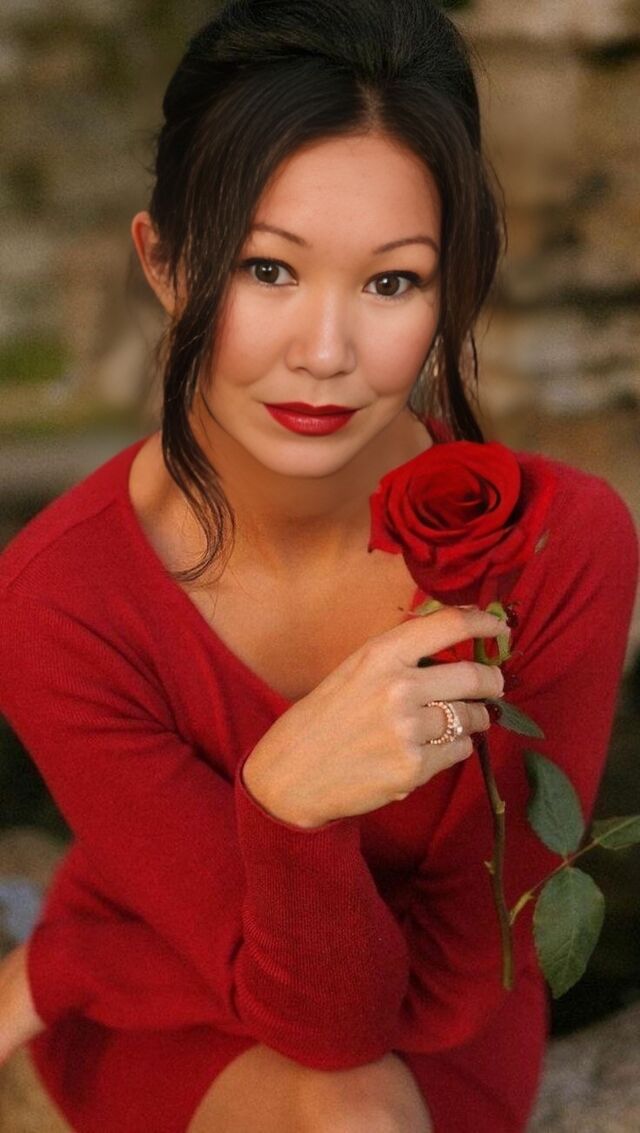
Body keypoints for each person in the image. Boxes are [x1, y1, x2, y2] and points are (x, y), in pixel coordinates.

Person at [0, 2, 637, 1130]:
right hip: (172, 1010)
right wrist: (286, 813)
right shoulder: (57, 601)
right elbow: (321, 1025)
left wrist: (71, 961)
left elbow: (442, 987)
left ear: (451, 287)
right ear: (164, 261)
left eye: (393, 282)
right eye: (267, 268)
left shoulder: (558, 546)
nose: (326, 352)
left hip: (428, 1024)